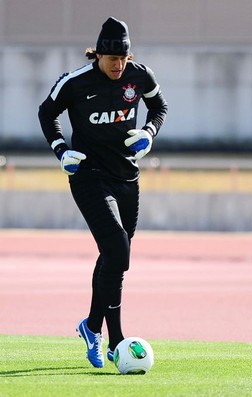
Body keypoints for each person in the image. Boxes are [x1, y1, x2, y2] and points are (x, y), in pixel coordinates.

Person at [38, 16, 168, 368]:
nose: (118, 66)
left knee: (114, 258)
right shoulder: (75, 82)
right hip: (89, 176)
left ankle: (99, 331)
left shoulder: (141, 76)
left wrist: (149, 133)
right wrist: (61, 149)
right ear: (98, 54)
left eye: (123, 59)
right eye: (112, 59)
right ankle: (106, 333)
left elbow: (160, 107)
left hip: (127, 177)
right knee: (118, 249)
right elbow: (46, 113)